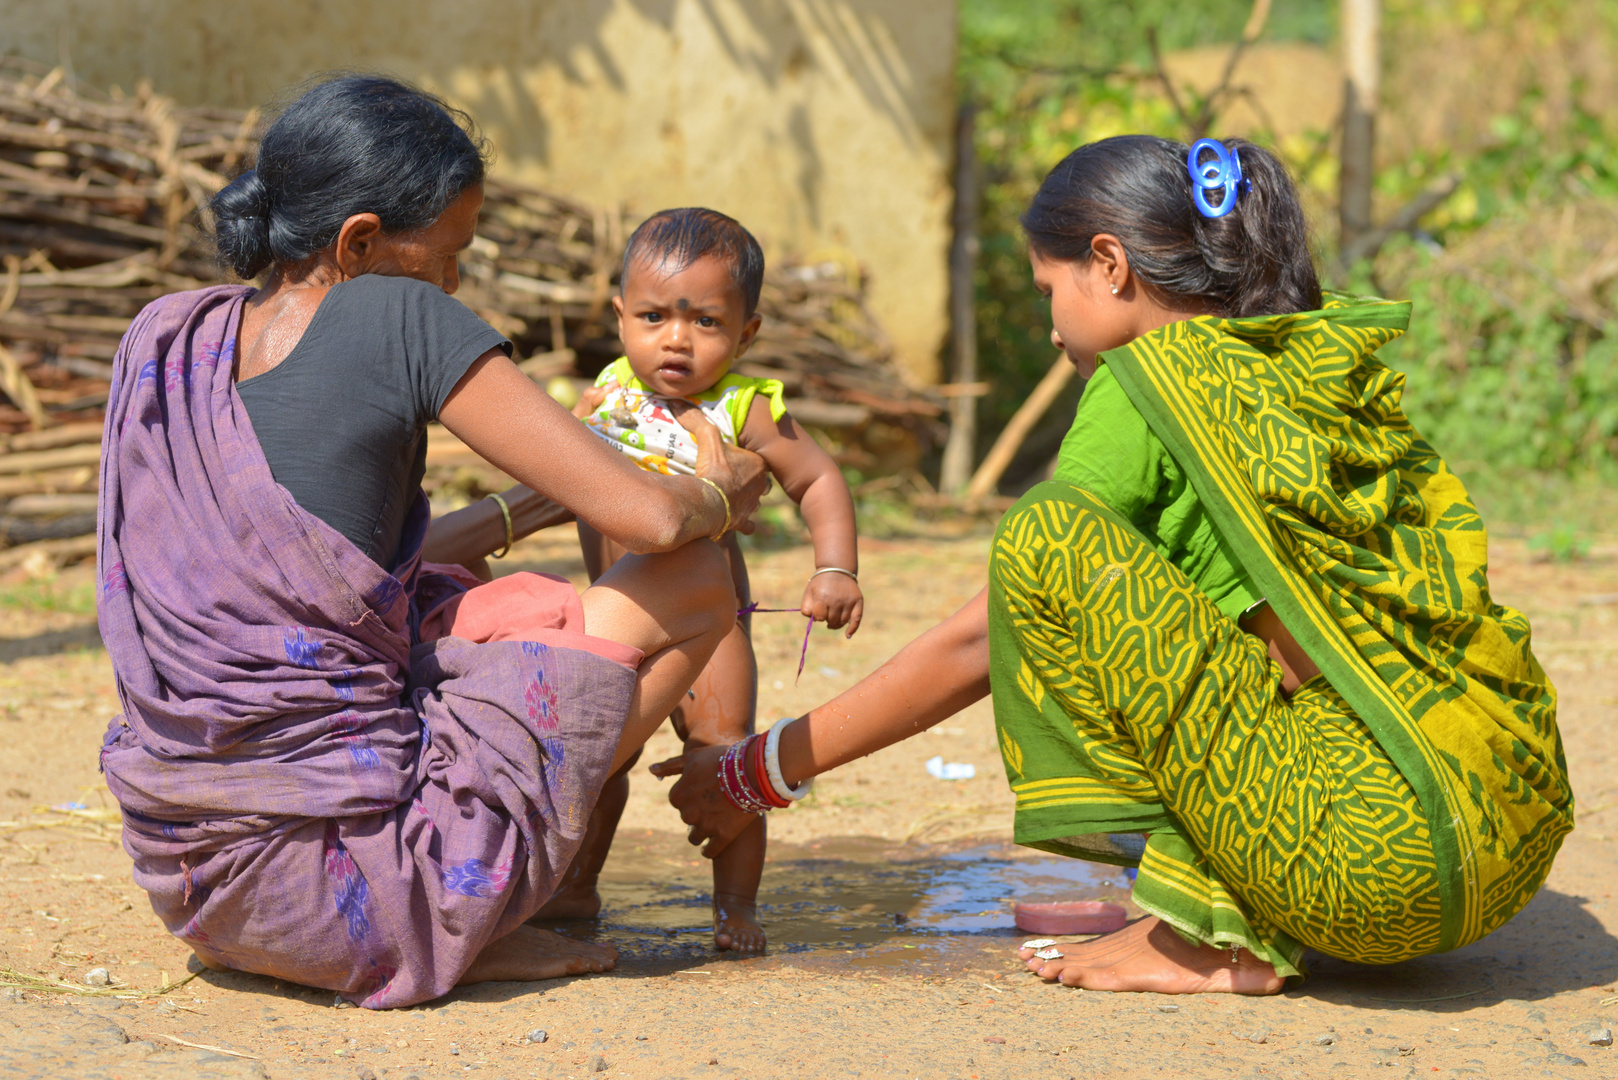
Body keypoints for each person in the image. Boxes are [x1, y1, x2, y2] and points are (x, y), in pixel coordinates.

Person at [666, 134, 1573, 994]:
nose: (1052, 327)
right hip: (1502, 847)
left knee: (1047, 542)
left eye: (1046, 289)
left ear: (1109, 265)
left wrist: (759, 770)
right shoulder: (1311, 355)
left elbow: (983, 637)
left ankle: (1208, 935)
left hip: (1370, 873)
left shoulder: (1149, 382)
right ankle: (1214, 889)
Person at [95, 75, 767, 1010]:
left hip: (200, 881)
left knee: (470, 586)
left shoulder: (171, 336)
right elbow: (654, 522)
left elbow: (325, 575)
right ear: (362, 242)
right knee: (691, 571)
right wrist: (717, 489)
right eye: (450, 255)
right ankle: (482, 909)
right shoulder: (397, 310)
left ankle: (505, 885)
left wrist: (518, 512)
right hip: (373, 893)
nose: (455, 281)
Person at [538, 207, 862, 953]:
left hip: (711, 633)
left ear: (746, 333)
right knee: (597, 759)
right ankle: (574, 888)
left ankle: (736, 908)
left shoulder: (743, 410)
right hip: (618, 621)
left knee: (725, 752)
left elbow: (817, 481)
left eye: (706, 322)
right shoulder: (608, 395)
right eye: (653, 316)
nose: (676, 339)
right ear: (619, 316)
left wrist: (835, 567)